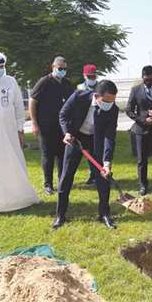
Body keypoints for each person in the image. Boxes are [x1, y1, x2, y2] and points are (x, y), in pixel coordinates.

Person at [54, 80, 119, 230]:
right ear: (96, 96)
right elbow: (63, 114)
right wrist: (67, 133)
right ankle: (60, 215)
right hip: (75, 139)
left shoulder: (112, 109)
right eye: (106, 101)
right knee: (66, 177)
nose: (109, 104)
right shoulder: (79, 96)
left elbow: (110, 136)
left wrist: (107, 162)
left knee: (103, 178)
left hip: (96, 141)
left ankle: (104, 214)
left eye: (112, 101)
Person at [0, 51, 39, 213]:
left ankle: (20, 197)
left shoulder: (10, 81)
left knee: (15, 162)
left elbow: (19, 107)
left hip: (10, 132)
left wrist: (20, 129)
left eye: (1, 66)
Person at [29, 56, 75, 195]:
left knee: (62, 155)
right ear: (53, 67)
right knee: (48, 155)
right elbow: (32, 101)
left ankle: (62, 181)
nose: (62, 71)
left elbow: (74, 101)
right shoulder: (44, 82)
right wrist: (34, 123)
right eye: (60, 69)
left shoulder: (67, 84)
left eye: (64, 69)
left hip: (62, 127)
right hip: (46, 125)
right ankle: (48, 184)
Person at [125, 65, 152, 196]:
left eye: (150, 79)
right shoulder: (135, 90)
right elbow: (128, 110)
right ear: (142, 77)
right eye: (146, 79)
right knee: (141, 160)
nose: (148, 81)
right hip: (141, 130)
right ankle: (143, 185)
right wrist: (142, 120)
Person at [77, 63, 99, 185]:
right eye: (89, 77)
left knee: (97, 151)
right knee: (88, 152)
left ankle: (99, 173)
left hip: (97, 125)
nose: (92, 79)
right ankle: (93, 174)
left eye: (93, 76)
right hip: (84, 125)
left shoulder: (101, 87)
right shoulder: (80, 88)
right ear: (84, 76)